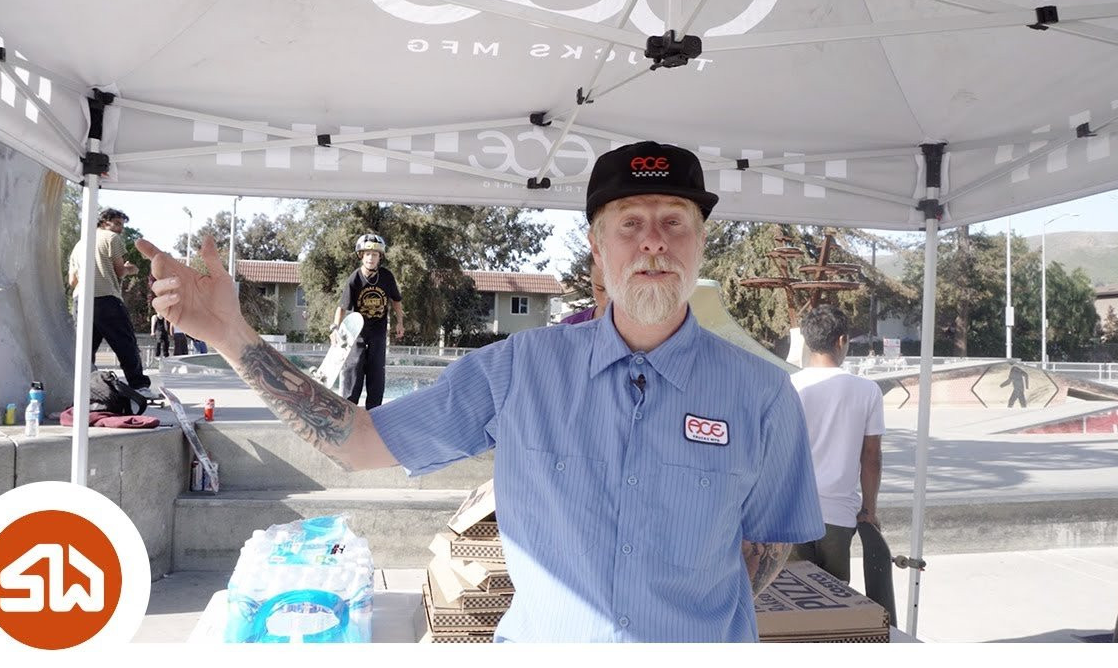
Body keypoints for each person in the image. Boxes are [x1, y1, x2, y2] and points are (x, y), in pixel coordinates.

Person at [138, 141, 823, 642]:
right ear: (597, 245)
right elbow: (360, 441)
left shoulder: (762, 396)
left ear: (701, 241)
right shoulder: (520, 370)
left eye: (674, 222)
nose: (653, 243)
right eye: (630, 224)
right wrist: (231, 335)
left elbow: (764, 547)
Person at [788, 304, 885, 583]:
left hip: (793, 512)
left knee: (796, 596)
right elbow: (871, 457)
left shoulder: (788, 385)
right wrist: (869, 510)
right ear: (842, 340)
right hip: (838, 516)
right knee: (837, 601)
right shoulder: (867, 391)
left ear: (807, 341)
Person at [68, 208, 154, 395]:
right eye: (117, 223)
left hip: (80, 299)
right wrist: (131, 269)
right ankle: (139, 385)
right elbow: (120, 271)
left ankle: (83, 388)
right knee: (125, 343)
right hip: (106, 297)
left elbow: (71, 280)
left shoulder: (79, 244)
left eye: (122, 225)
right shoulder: (111, 238)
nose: (120, 228)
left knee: (85, 348)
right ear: (104, 222)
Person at [333, 234, 404, 409]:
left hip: (378, 331)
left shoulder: (386, 277)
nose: (371, 258)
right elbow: (342, 307)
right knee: (353, 369)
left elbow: (396, 300)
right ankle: (349, 408)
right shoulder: (354, 278)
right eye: (367, 254)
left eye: (375, 255)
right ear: (361, 256)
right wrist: (334, 328)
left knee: (376, 372)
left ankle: (374, 411)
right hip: (357, 332)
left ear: (380, 257)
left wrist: (400, 322)